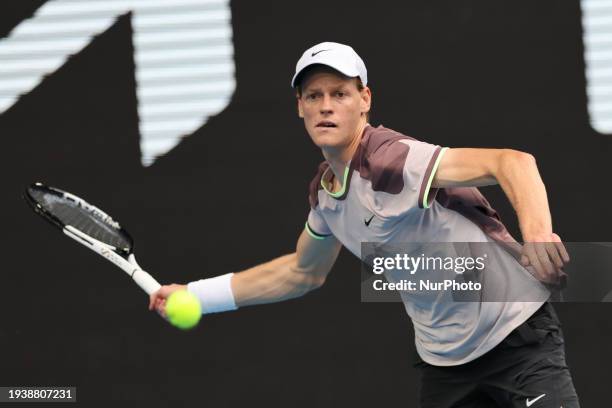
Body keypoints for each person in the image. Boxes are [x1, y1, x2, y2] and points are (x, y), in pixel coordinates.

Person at [149, 42, 580, 407]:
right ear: (300, 108)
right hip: (446, 368)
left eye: (339, 93)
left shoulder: (393, 160)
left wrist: (539, 234)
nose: (326, 106)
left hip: (519, 341)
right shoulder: (327, 196)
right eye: (314, 96)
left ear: (365, 100)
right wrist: (198, 296)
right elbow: (301, 272)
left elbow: (513, 162)